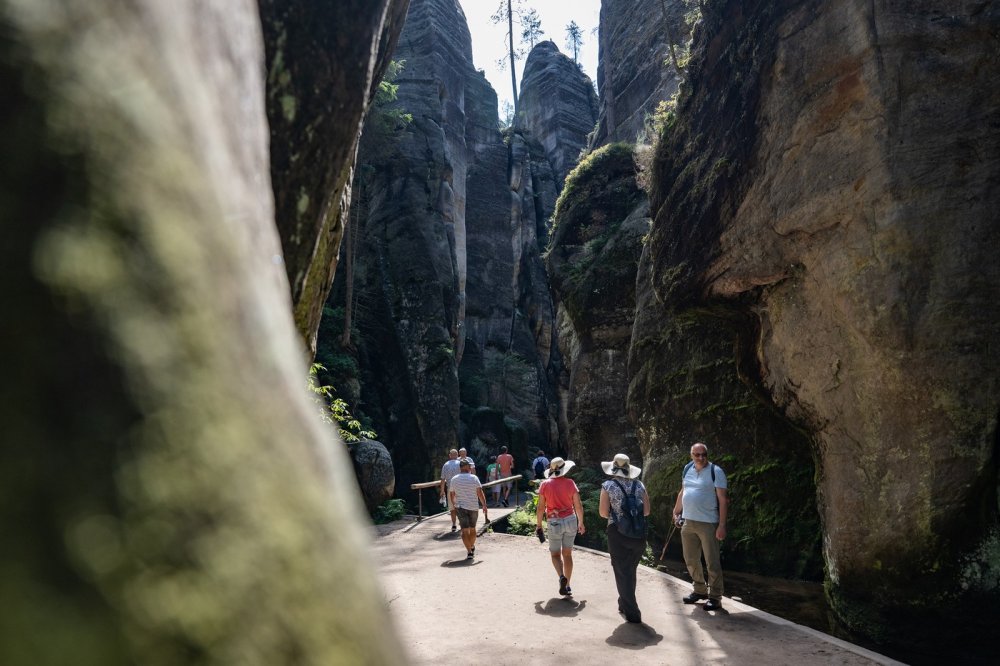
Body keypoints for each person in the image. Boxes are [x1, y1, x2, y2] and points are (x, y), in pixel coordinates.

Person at [672, 442, 729, 612]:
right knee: (690, 559)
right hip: (688, 521)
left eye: (704, 454)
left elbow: (723, 500)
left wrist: (722, 525)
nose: (701, 457)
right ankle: (699, 590)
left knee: (712, 561)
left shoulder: (716, 471)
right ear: (691, 455)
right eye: (697, 454)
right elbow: (683, 491)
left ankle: (715, 597)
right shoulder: (687, 469)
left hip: (708, 523)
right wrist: (676, 512)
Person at [599, 453, 650, 623]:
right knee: (630, 571)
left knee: (621, 572)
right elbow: (647, 511)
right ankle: (623, 602)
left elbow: (603, 512)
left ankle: (633, 612)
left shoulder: (608, 486)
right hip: (638, 534)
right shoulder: (639, 485)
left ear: (613, 468)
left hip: (618, 533)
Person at [535, 457, 585, 596]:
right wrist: (581, 522)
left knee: (555, 554)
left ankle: (561, 576)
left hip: (554, 521)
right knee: (567, 554)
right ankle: (568, 585)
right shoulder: (570, 483)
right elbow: (578, 505)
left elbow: (540, 508)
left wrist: (539, 525)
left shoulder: (545, 484)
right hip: (570, 520)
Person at [449, 458, 489, 560]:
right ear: (466, 467)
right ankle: (471, 547)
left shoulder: (454, 479)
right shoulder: (474, 478)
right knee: (472, 529)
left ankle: (469, 551)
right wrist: (484, 505)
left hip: (460, 507)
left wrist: (454, 504)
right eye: (469, 466)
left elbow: (452, 494)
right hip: (473, 507)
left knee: (465, 531)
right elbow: (479, 493)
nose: (471, 467)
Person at [439, 449, 461, 532]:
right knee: (460, 506)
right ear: (457, 455)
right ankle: (462, 523)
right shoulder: (460, 463)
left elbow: (442, 479)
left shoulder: (446, 465)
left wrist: (442, 491)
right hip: (460, 488)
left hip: (450, 489)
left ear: (449, 455)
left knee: (452, 508)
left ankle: (454, 524)